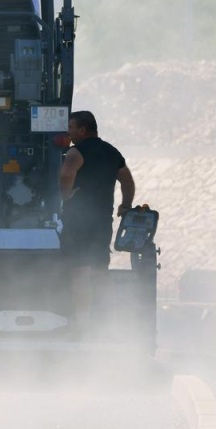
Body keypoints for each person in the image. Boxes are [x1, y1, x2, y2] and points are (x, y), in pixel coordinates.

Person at [58, 110, 135, 335]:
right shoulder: (112, 152)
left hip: (79, 220)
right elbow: (127, 181)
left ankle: (82, 324)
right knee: (100, 271)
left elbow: (66, 174)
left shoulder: (76, 151)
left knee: (78, 272)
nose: (68, 133)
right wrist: (126, 205)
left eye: (71, 128)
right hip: (103, 220)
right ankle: (108, 321)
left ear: (82, 129)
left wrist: (65, 195)